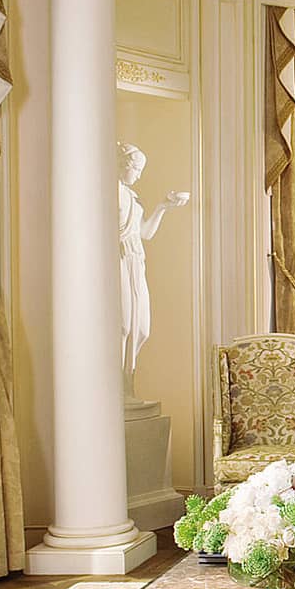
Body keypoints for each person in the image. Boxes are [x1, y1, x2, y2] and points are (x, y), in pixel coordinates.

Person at [118, 142, 189, 403]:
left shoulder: (132, 198)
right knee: (123, 325)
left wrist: (162, 206)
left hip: (136, 262)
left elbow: (145, 233)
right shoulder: (111, 193)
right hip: (119, 261)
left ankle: (127, 381)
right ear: (123, 165)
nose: (139, 175)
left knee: (141, 329)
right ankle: (119, 387)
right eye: (136, 168)